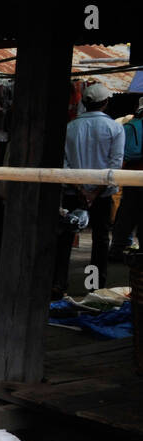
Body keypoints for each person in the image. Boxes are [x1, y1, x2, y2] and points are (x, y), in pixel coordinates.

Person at [56, 82, 124, 296]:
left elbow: (64, 164)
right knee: (100, 241)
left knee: (65, 239)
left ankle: (59, 284)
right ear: (105, 103)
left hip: (73, 193)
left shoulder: (70, 127)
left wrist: (81, 190)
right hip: (101, 196)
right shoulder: (115, 127)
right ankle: (94, 287)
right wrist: (94, 193)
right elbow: (115, 166)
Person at [108, 98, 143, 261]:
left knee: (127, 211)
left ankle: (118, 248)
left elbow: (122, 154)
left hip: (131, 176)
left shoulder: (130, 124)